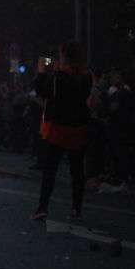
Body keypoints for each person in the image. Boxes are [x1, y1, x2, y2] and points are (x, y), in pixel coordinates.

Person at [31, 42, 95, 221]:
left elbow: (42, 92)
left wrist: (42, 72)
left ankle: (42, 206)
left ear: (65, 57)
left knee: (50, 169)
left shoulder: (59, 78)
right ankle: (76, 208)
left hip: (59, 127)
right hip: (79, 126)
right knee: (77, 170)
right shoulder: (86, 76)